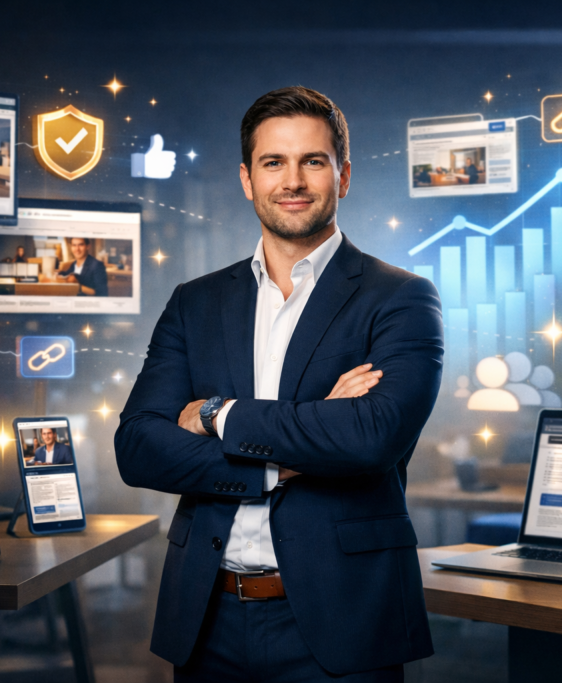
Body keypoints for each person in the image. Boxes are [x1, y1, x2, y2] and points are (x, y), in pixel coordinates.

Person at [115, 86, 443, 682]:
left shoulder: (400, 298)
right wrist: (290, 454)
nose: (292, 180)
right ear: (247, 179)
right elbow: (138, 448)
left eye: (312, 161)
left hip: (342, 623)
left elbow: (371, 437)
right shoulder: (194, 302)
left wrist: (216, 415)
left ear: (343, 176)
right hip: (207, 619)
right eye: (273, 162)